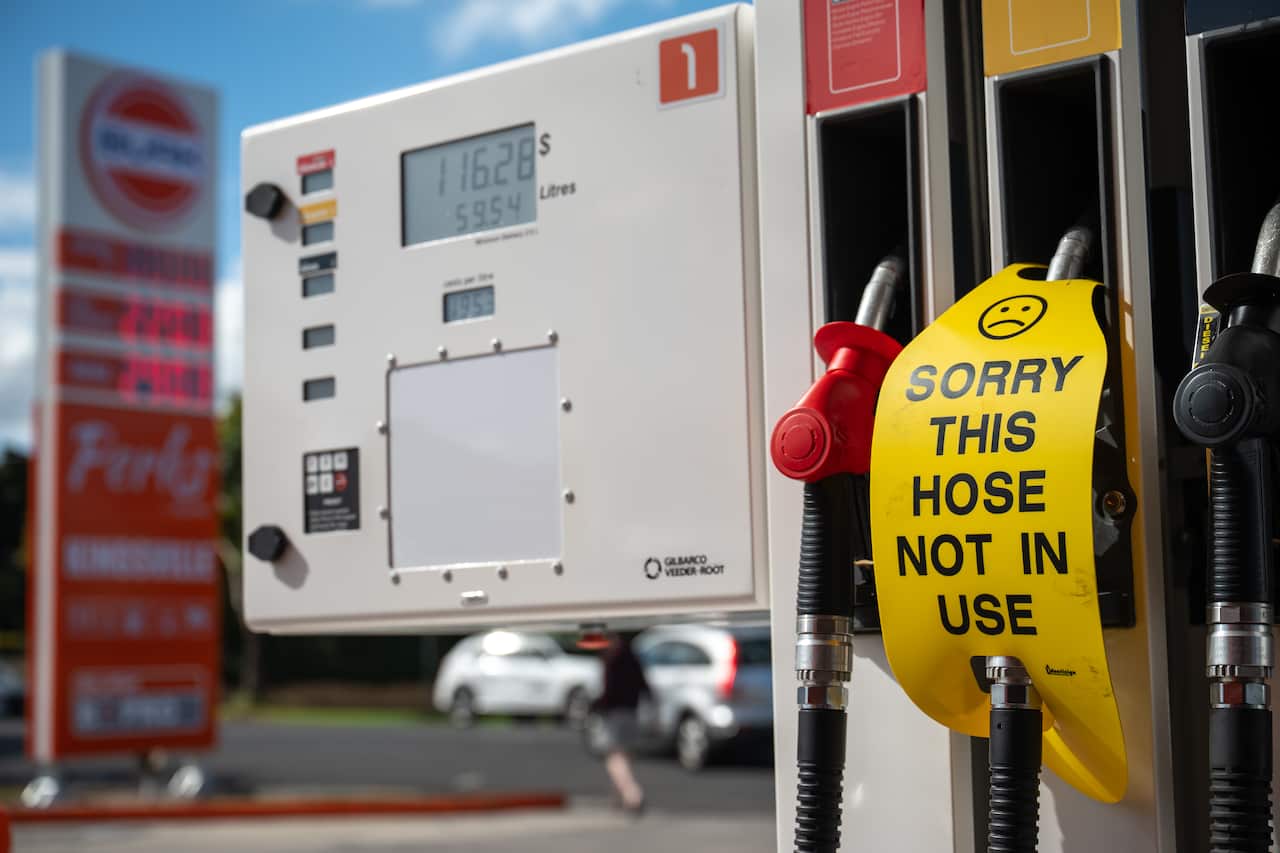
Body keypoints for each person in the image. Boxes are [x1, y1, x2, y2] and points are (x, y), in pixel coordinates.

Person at [593, 633, 650, 815]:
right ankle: (618, 798)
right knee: (624, 756)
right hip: (631, 712)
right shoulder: (632, 658)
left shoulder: (612, 659)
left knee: (614, 757)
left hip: (615, 713)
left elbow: (608, 690)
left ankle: (632, 794)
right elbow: (645, 686)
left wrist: (597, 705)